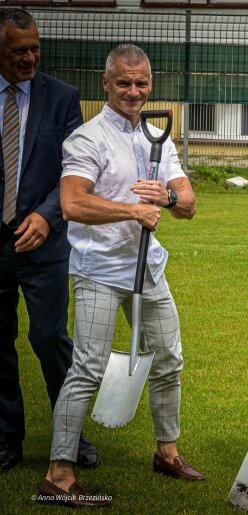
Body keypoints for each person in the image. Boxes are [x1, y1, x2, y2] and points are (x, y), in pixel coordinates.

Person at [39, 44, 202, 508]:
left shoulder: (158, 138)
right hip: (100, 271)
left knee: (168, 357)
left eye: (142, 83)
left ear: (151, 84)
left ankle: (166, 452)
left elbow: (188, 204)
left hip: (148, 270)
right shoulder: (86, 139)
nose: (134, 91)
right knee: (88, 367)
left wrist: (166, 200)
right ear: (106, 83)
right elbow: (72, 204)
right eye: (124, 83)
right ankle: (59, 473)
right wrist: (132, 209)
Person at [0, 8, 98, 473]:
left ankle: (69, 435)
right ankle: (6, 438)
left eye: (35, 47)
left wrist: (46, 214)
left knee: (50, 338)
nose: (29, 57)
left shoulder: (63, 98)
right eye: (18, 50)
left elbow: (74, 169)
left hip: (44, 243)